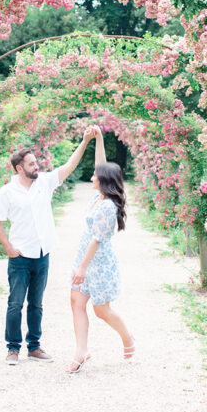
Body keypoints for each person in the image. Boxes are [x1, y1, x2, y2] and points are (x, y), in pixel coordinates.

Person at [0, 127, 97, 366]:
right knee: (15, 303)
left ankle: (35, 347)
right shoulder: (6, 193)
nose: (36, 166)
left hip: (42, 253)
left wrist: (84, 141)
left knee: (37, 303)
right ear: (19, 169)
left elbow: (69, 166)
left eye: (36, 162)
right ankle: (12, 348)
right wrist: (9, 249)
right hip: (19, 256)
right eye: (31, 164)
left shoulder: (45, 182)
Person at [68, 127, 135, 373]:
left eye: (96, 175)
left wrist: (82, 268)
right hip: (85, 258)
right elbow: (101, 164)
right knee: (76, 301)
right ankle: (81, 351)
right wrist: (97, 138)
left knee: (101, 310)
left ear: (103, 181)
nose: (92, 177)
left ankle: (127, 336)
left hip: (97, 263)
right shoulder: (98, 196)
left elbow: (96, 240)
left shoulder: (108, 207)